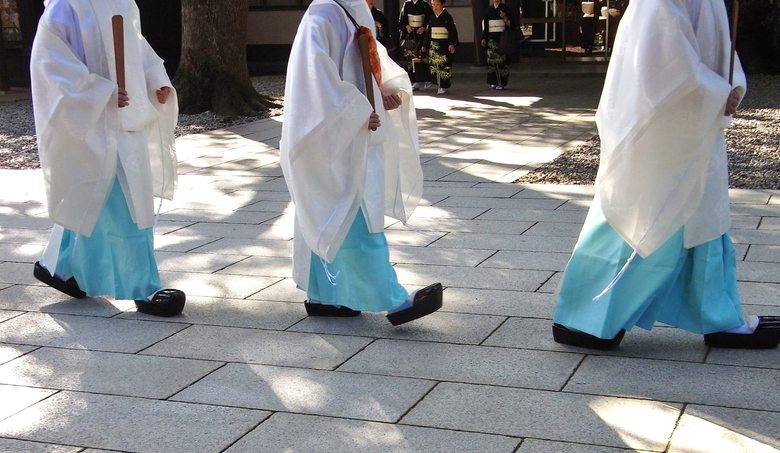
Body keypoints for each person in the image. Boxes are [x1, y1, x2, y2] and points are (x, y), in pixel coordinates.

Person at [552, 0, 780, 350]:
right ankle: (585, 318)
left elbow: (717, 45)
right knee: (642, 209)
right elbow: (662, 58)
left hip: (692, 121)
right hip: (662, 125)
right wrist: (717, 90)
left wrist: (728, 86)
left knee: (702, 215)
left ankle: (718, 316)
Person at [280, 0, 443, 325]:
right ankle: (394, 300)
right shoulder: (322, 14)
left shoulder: (351, 10)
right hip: (336, 136)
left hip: (354, 133)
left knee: (338, 209)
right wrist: (354, 113)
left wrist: (381, 90)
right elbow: (314, 81)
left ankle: (326, 295)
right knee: (352, 214)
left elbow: (369, 61)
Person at [30, 0, 185, 317]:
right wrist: (98, 92)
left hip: (126, 119)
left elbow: (134, 46)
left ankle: (59, 267)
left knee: (99, 197)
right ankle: (144, 286)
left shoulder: (122, 2)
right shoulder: (66, 5)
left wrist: (155, 79)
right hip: (93, 120)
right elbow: (50, 60)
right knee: (119, 200)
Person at [421, 0, 458, 95]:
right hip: (434, 45)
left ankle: (443, 86)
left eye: (437, 4)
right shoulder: (432, 17)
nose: (435, 7)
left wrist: (452, 44)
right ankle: (438, 84)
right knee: (435, 65)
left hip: (444, 45)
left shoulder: (447, 17)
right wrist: (425, 45)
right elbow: (428, 34)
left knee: (443, 65)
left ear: (442, 4)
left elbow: (452, 31)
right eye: (433, 5)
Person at [399, 0, 433, 90]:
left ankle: (427, 79)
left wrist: (424, 27)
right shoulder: (407, 4)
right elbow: (402, 19)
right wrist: (406, 26)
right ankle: (414, 81)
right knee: (411, 58)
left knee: (423, 57)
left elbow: (430, 18)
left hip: (422, 35)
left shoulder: (424, 4)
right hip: (411, 34)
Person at [481, 0, 514, 90]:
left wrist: (505, 17)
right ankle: (493, 81)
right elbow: (485, 26)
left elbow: (512, 24)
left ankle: (501, 82)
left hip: (502, 38)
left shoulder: (505, 9)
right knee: (491, 62)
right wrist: (484, 38)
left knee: (501, 61)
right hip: (491, 38)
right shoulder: (488, 10)